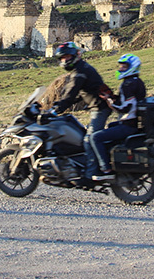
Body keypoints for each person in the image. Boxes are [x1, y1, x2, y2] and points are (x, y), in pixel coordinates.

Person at [52, 42, 112, 182]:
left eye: (67, 57)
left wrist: (58, 108)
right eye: (63, 58)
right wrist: (60, 104)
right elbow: (81, 94)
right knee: (82, 135)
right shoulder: (81, 69)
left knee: (89, 139)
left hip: (99, 108)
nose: (65, 60)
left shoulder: (79, 72)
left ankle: (95, 173)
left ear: (75, 56)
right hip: (96, 107)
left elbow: (71, 92)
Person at [88, 53, 146, 181]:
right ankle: (113, 159)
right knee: (110, 126)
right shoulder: (136, 82)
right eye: (120, 66)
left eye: (124, 67)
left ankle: (105, 169)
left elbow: (125, 108)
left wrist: (109, 100)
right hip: (133, 123)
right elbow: (126, 102)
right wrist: (112, 97)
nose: (120, 69)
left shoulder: (128, 84)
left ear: (132, 67)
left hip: (128, 124)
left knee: (95, 137)